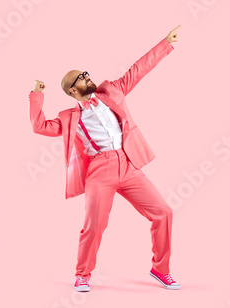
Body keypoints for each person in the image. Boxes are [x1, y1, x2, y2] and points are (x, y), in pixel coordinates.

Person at [29, 25, 182, 292]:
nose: (88, 78)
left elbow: (138, 70)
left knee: (163, 213)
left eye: (86, 74)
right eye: (81, 78)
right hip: (99, 170)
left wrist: (166, 43)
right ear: (72, 91)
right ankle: (82, 275)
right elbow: (40, 127)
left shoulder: (112, 91)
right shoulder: (69, 117)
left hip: (128, 163)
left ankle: (161, 269)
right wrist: (37, 95)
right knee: (94, 225)